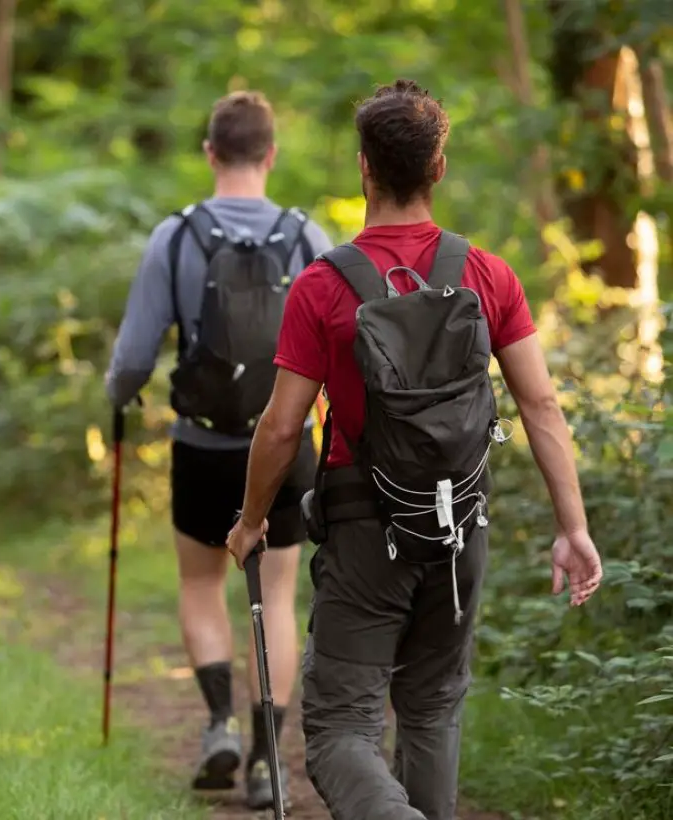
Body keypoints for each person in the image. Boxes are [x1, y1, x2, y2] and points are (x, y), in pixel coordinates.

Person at [226, 78, 603, 820]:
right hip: (462, 526)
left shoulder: (322, 286)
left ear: (363, 167)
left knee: (340, 728)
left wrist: (249, 522)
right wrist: (574, 527)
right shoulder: (488, 275)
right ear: (439, 168)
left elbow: (280, 427)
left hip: (366, 529)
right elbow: (540, 404)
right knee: (431, 711)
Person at [105, 90, 332, 810]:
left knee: (202, 584)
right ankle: (269, 761)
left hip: (202, 445)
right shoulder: (307, 238)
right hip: (288, 443)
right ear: (270, 155)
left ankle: (217, 725)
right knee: (278, 593)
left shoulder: (174, 237)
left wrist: (117, 397)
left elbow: (135, 356)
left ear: (210, 153)